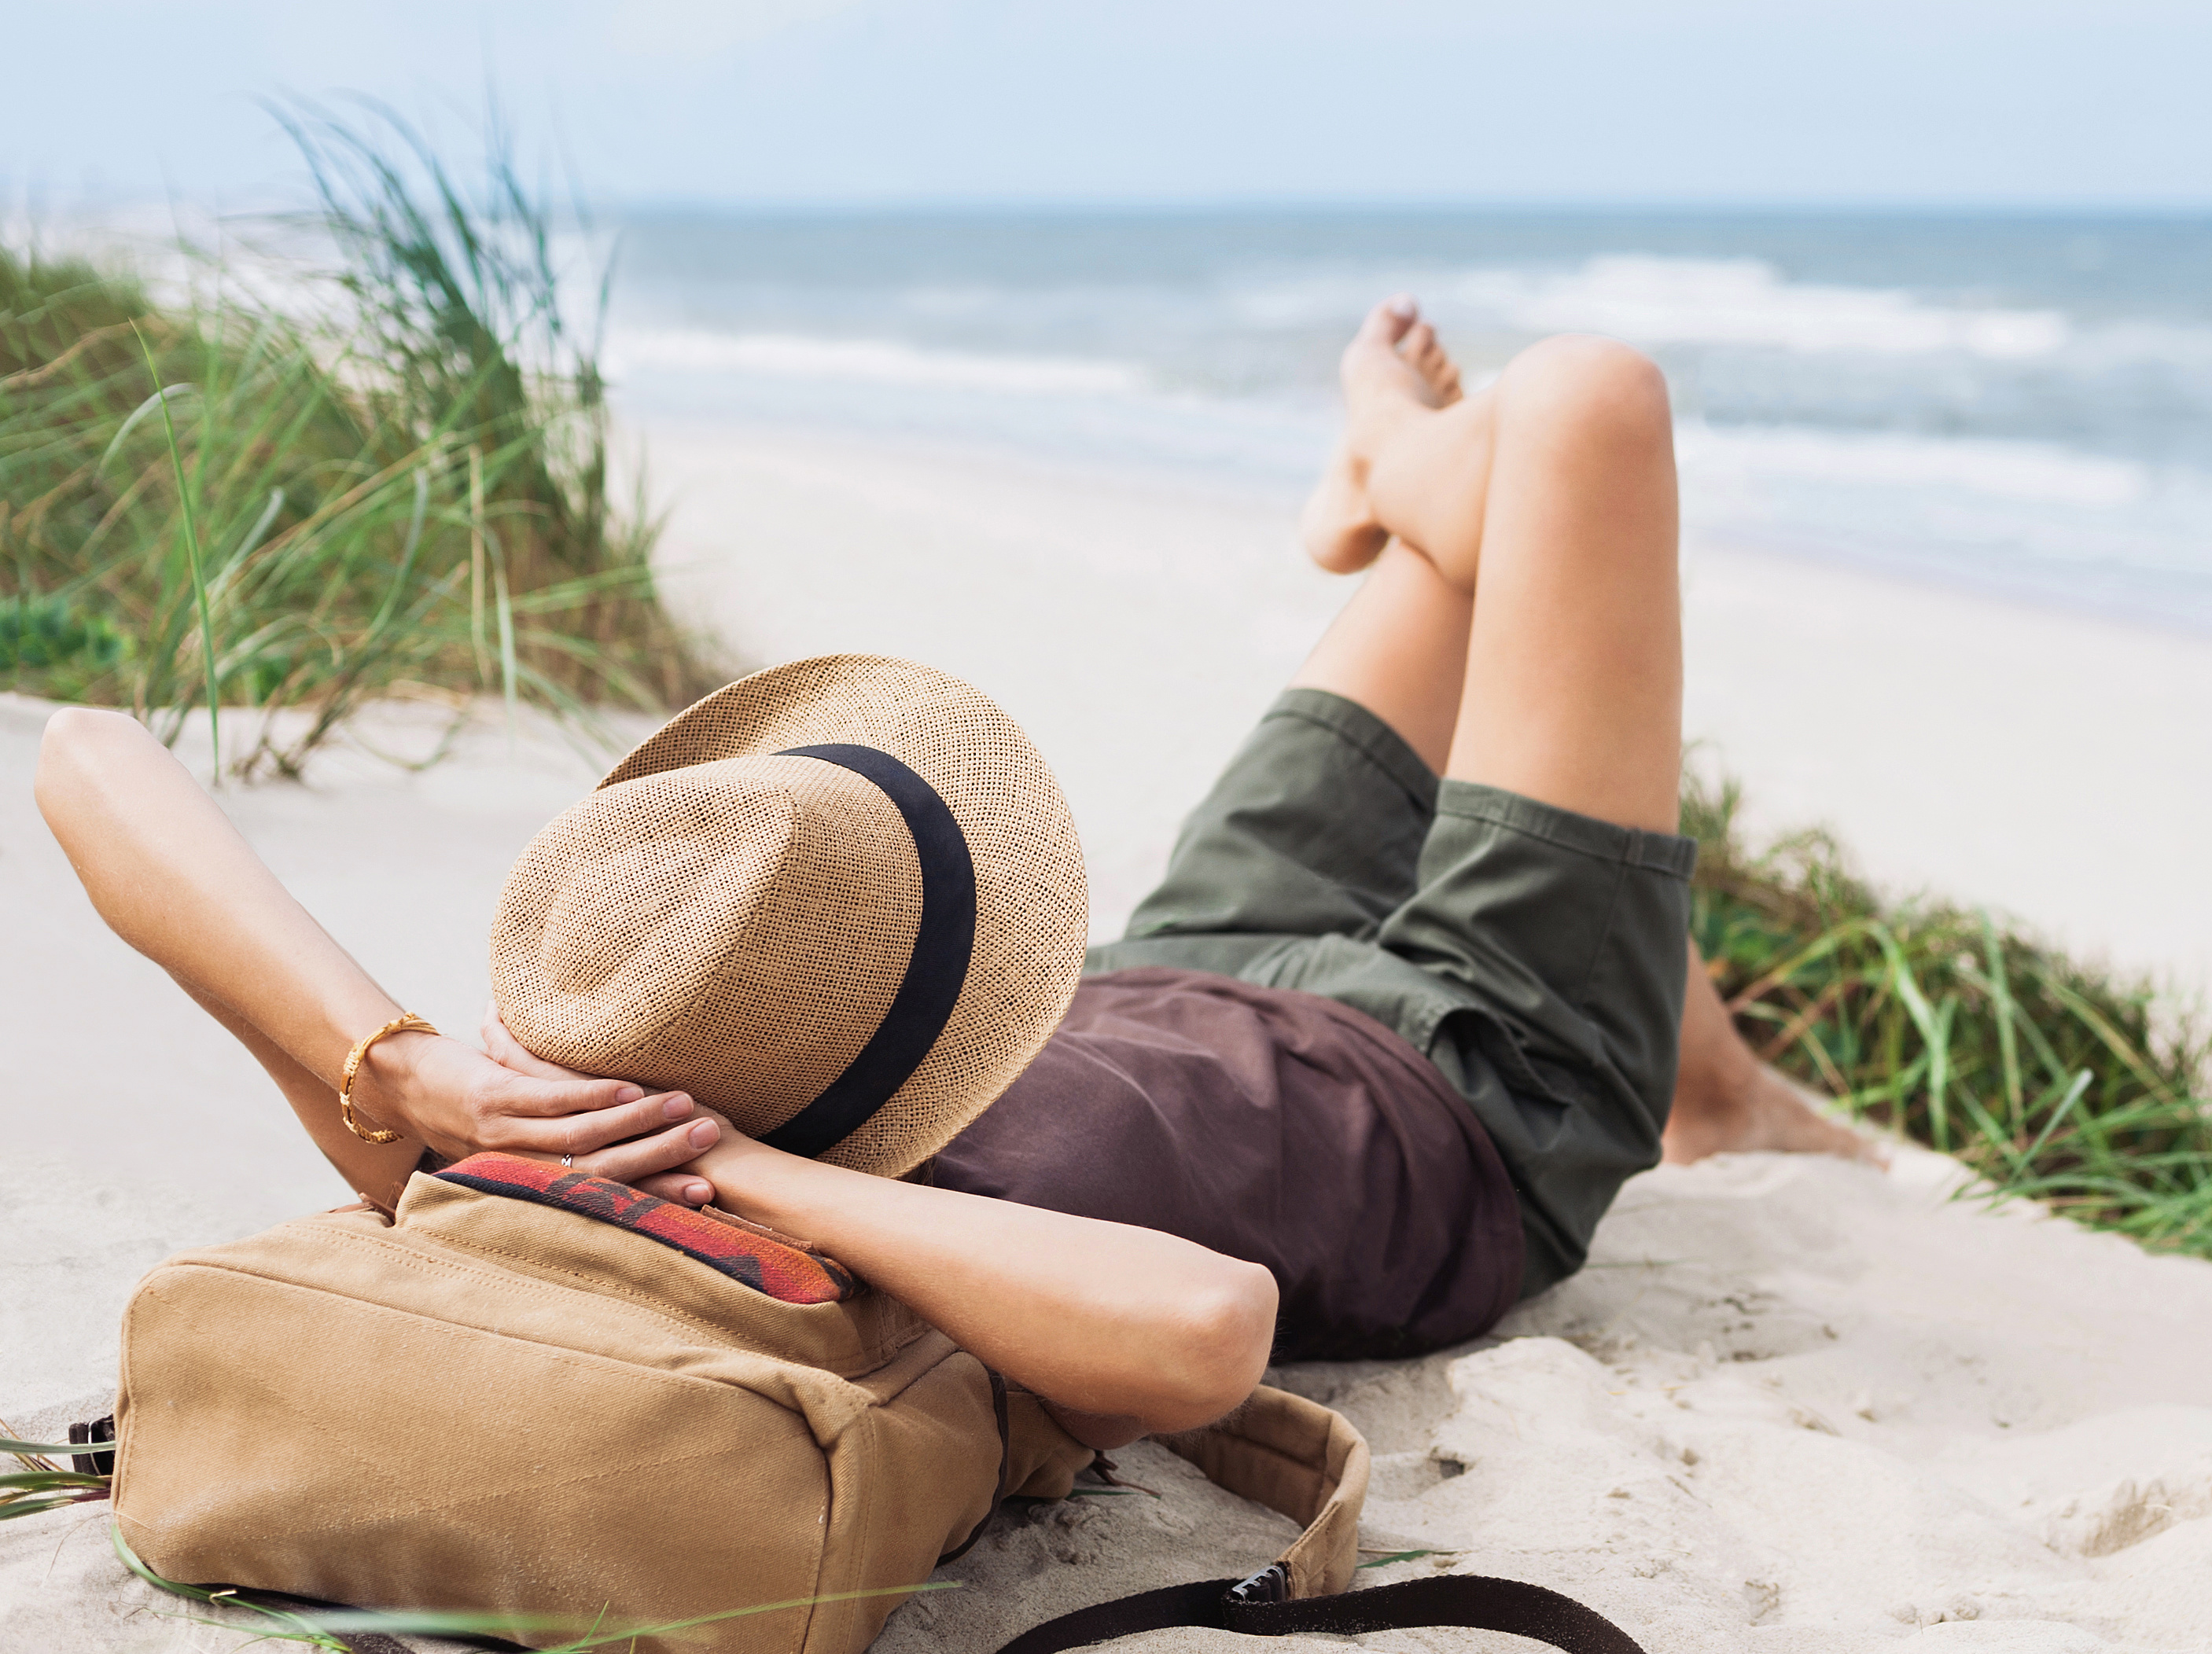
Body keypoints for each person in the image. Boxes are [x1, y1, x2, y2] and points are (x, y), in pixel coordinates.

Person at [35, 302, 1867, 1455]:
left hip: (1170, 967)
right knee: (1590, 406)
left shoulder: (512, 1144)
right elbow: (1207, 1329)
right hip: (1473, 1077)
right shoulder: (793, 1271)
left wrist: (403, 1064)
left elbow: (85, 763)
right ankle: (1391, 468)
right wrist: (763, 1180)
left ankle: (1704, 1054)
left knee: (1521, 542)